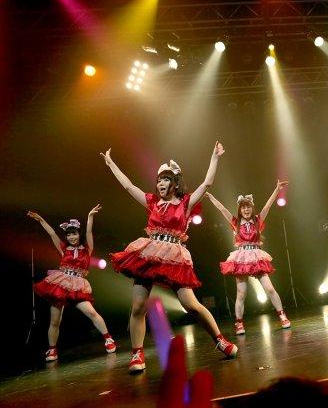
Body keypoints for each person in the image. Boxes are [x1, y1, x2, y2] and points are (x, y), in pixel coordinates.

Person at [101, 144, 237, 373]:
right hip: (149, 253)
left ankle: (220, 340)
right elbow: (128, 186)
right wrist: (111, 163)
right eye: (158, 181)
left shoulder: (185, 203)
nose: (160, 184)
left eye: (165, 180)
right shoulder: (152, 202)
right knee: (138, 306)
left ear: (174, 183)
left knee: (191, 305)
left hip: (174, 256)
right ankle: (137, 354)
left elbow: (207, 184)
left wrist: (214, 157)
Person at [27, 206, 116, 362]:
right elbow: (52, 234)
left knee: (91, 313)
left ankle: (108, 339)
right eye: (68, 234)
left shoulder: (87, 250)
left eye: (73, 234)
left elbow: (89, 232)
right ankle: (52, 350)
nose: (71, 237)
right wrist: (41, 220)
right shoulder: (63, 249)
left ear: (78, 234)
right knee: (55, 321)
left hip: (77, 286)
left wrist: (90, 216)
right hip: (61, 284)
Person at [205, 180, 291, 335]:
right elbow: (222, 209)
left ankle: (282, 316)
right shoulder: (235, 222)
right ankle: (239, 323)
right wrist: (211, 197)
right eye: (243, 207)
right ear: (240, 209)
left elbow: (267, 206)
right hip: (241, 258)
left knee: (270, 289)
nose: (246, 209)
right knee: (241, 293)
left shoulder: (257, 220)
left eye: (248, 207)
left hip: (257, 256)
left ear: (252, 208)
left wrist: (277, 190)